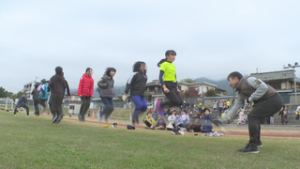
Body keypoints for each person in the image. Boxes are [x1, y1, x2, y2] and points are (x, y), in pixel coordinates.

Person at [214, 71, 283, 153]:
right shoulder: (240, 93)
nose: (229, 83)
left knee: (252, 116)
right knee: (255, 117)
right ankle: (256, 142)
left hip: (273, 99)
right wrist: (222, 120)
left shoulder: (249, 80)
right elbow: (235, 107)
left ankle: (253, 146)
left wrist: (250, 99)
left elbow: (263, 87)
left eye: (230, 80)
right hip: (269, 101)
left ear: (236, 79)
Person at [124, 62, 148, 126]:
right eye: (142, 65)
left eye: (144, 65)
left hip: (142, 94)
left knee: (145, 107)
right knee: (139, 105)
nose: (144, 66)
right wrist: (126, 92)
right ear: (138, 67)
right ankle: (133, 118)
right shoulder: (135, 74)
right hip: (134, 93)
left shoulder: (145, 76)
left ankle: (135, 115)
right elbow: (129, 83)